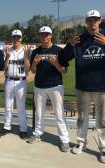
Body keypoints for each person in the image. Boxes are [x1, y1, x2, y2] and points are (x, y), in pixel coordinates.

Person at [63, 9, 105, 163]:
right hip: (82, 86)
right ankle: (81, 143)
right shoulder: (79, 39)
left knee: (102, 120)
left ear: (100, 21)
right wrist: (70, 45)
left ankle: (103, 148)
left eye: (95, 19)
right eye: (90, 20)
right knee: (82, 118)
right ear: (86, 22)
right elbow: (64, 58)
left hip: (101, 86)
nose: (93, 22)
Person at [26, 26, 70, 152]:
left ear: (51, 36)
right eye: (42, 35)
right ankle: (38, 133)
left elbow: (65, 70)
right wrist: (34, 63)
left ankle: (64, 140)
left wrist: (55, 63)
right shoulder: (36, 51)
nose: (44, 37)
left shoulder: (58, 50)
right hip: (39, 86)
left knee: (59, 114)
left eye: (46, 34)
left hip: (55, 86)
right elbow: (33, 71)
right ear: (39, 36)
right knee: (39, 113)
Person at [3, 30, 30, 139]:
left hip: (21, 81)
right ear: (12, 38)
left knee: (21, 107)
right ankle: (6, 127)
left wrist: (26, 57)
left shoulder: (25, 51)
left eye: (18, 37)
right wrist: (7, 57)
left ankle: (23, 129)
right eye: (14, 37)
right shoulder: (8, 51)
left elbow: (28, 69)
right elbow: (4, 69)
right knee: (8, 105)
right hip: (9, 80)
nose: (16, 39)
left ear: (21, 39)